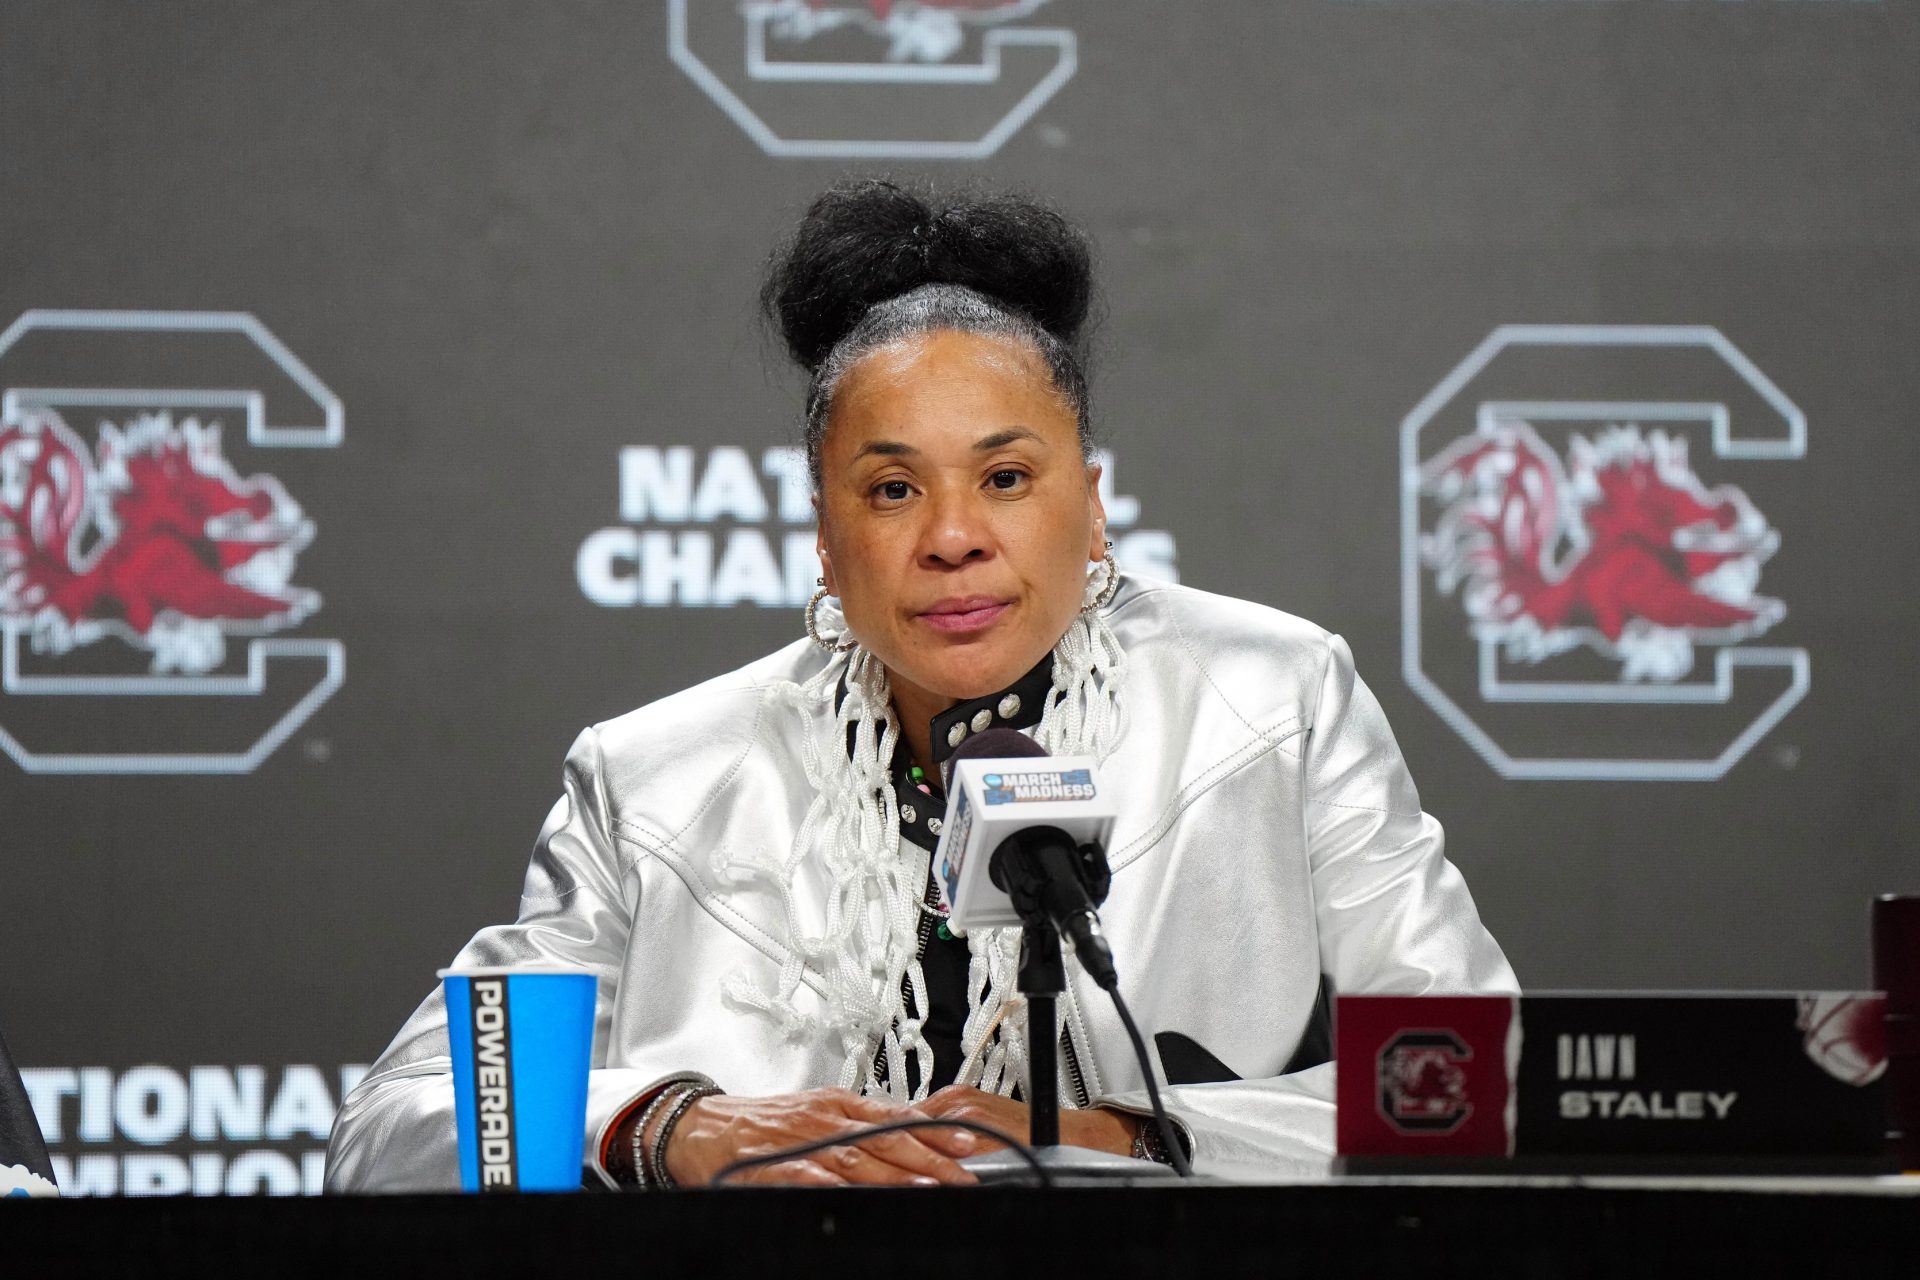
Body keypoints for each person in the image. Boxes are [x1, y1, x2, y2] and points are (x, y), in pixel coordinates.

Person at [326, 180, 1516, 1192]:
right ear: (822, 531)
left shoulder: (1273, 700)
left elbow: (1480, 1077)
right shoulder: (656, 778)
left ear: (1091, 504)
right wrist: (669, 1126)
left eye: (1005, 476)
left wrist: (1128, 1139)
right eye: (891, 489)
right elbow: (397, 1126)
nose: (953, 537)